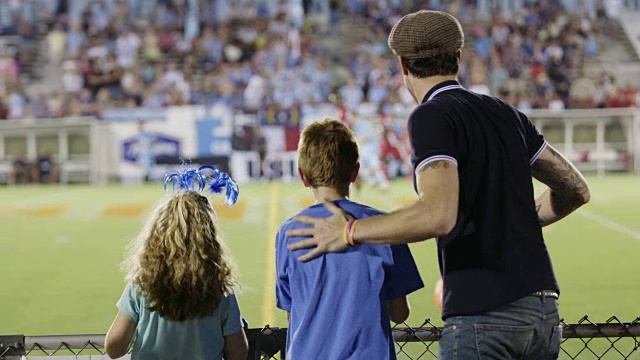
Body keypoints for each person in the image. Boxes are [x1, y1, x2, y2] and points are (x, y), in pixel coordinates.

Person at [286, 10, 591, 360]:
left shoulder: (431, 116)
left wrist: (350, 230)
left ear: (402, 65)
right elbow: (575, 189)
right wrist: (517, 219)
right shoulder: (506, 113)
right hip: (543, 314)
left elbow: (438, 215)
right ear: (458, 57)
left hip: (484, 312)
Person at [276, 119, 424, 359]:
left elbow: (293, 312)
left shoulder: (288, 233)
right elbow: (399, 313)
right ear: (355, 172)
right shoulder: (384, 226)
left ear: (303, 176)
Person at [105, 166, 247, 360]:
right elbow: (238, 354)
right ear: (209, 236)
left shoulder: (143, 284)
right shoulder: (220, 288)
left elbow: (114, 347)